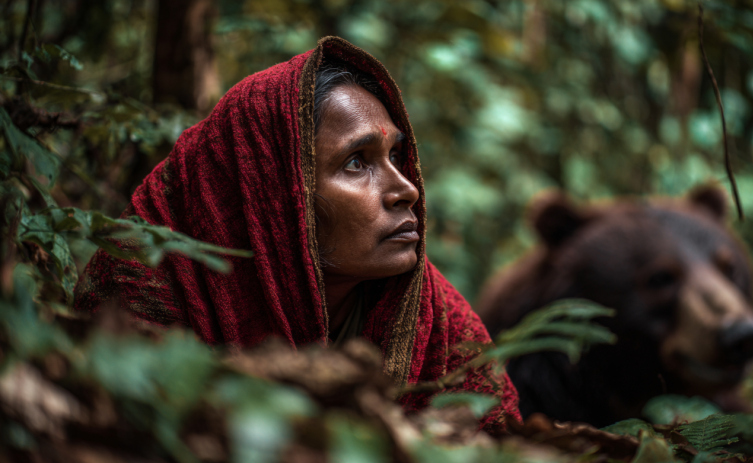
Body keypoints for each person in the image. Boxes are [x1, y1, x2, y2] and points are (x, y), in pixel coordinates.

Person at [74, 37, 520, 431]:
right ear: (273, 193)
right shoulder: (144, 288)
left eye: (396, 156)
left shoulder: (440, 322)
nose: (405, 189)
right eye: (356, 162)